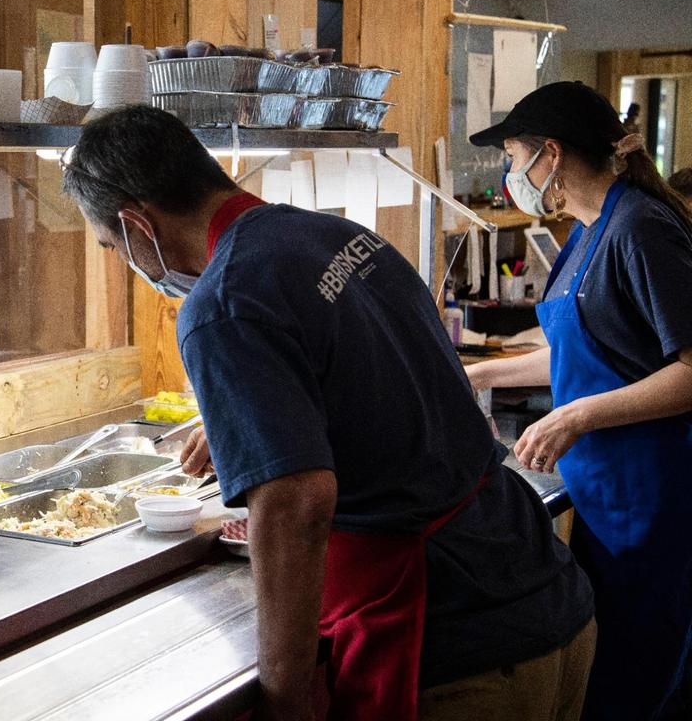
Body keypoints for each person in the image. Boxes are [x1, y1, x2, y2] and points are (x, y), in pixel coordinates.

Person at [62, 106, 595, 721]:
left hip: (451, 643)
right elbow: (390, 376)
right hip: (544, 596)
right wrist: (256, 412)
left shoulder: (222, 302)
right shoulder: (338, 236)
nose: (122, 259)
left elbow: (297, 506)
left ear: (136, 224)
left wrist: (284, 699)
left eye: (111, 246)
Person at [466, 81, 692, 721]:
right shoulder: (587, 231)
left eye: (513, 157)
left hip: (652, 495)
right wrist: (480, 375)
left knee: (638, 684)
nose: (511, 174)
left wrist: (577, 414)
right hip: (605, 494)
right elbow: (580, 351)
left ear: (552, 156)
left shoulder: (640, 229)